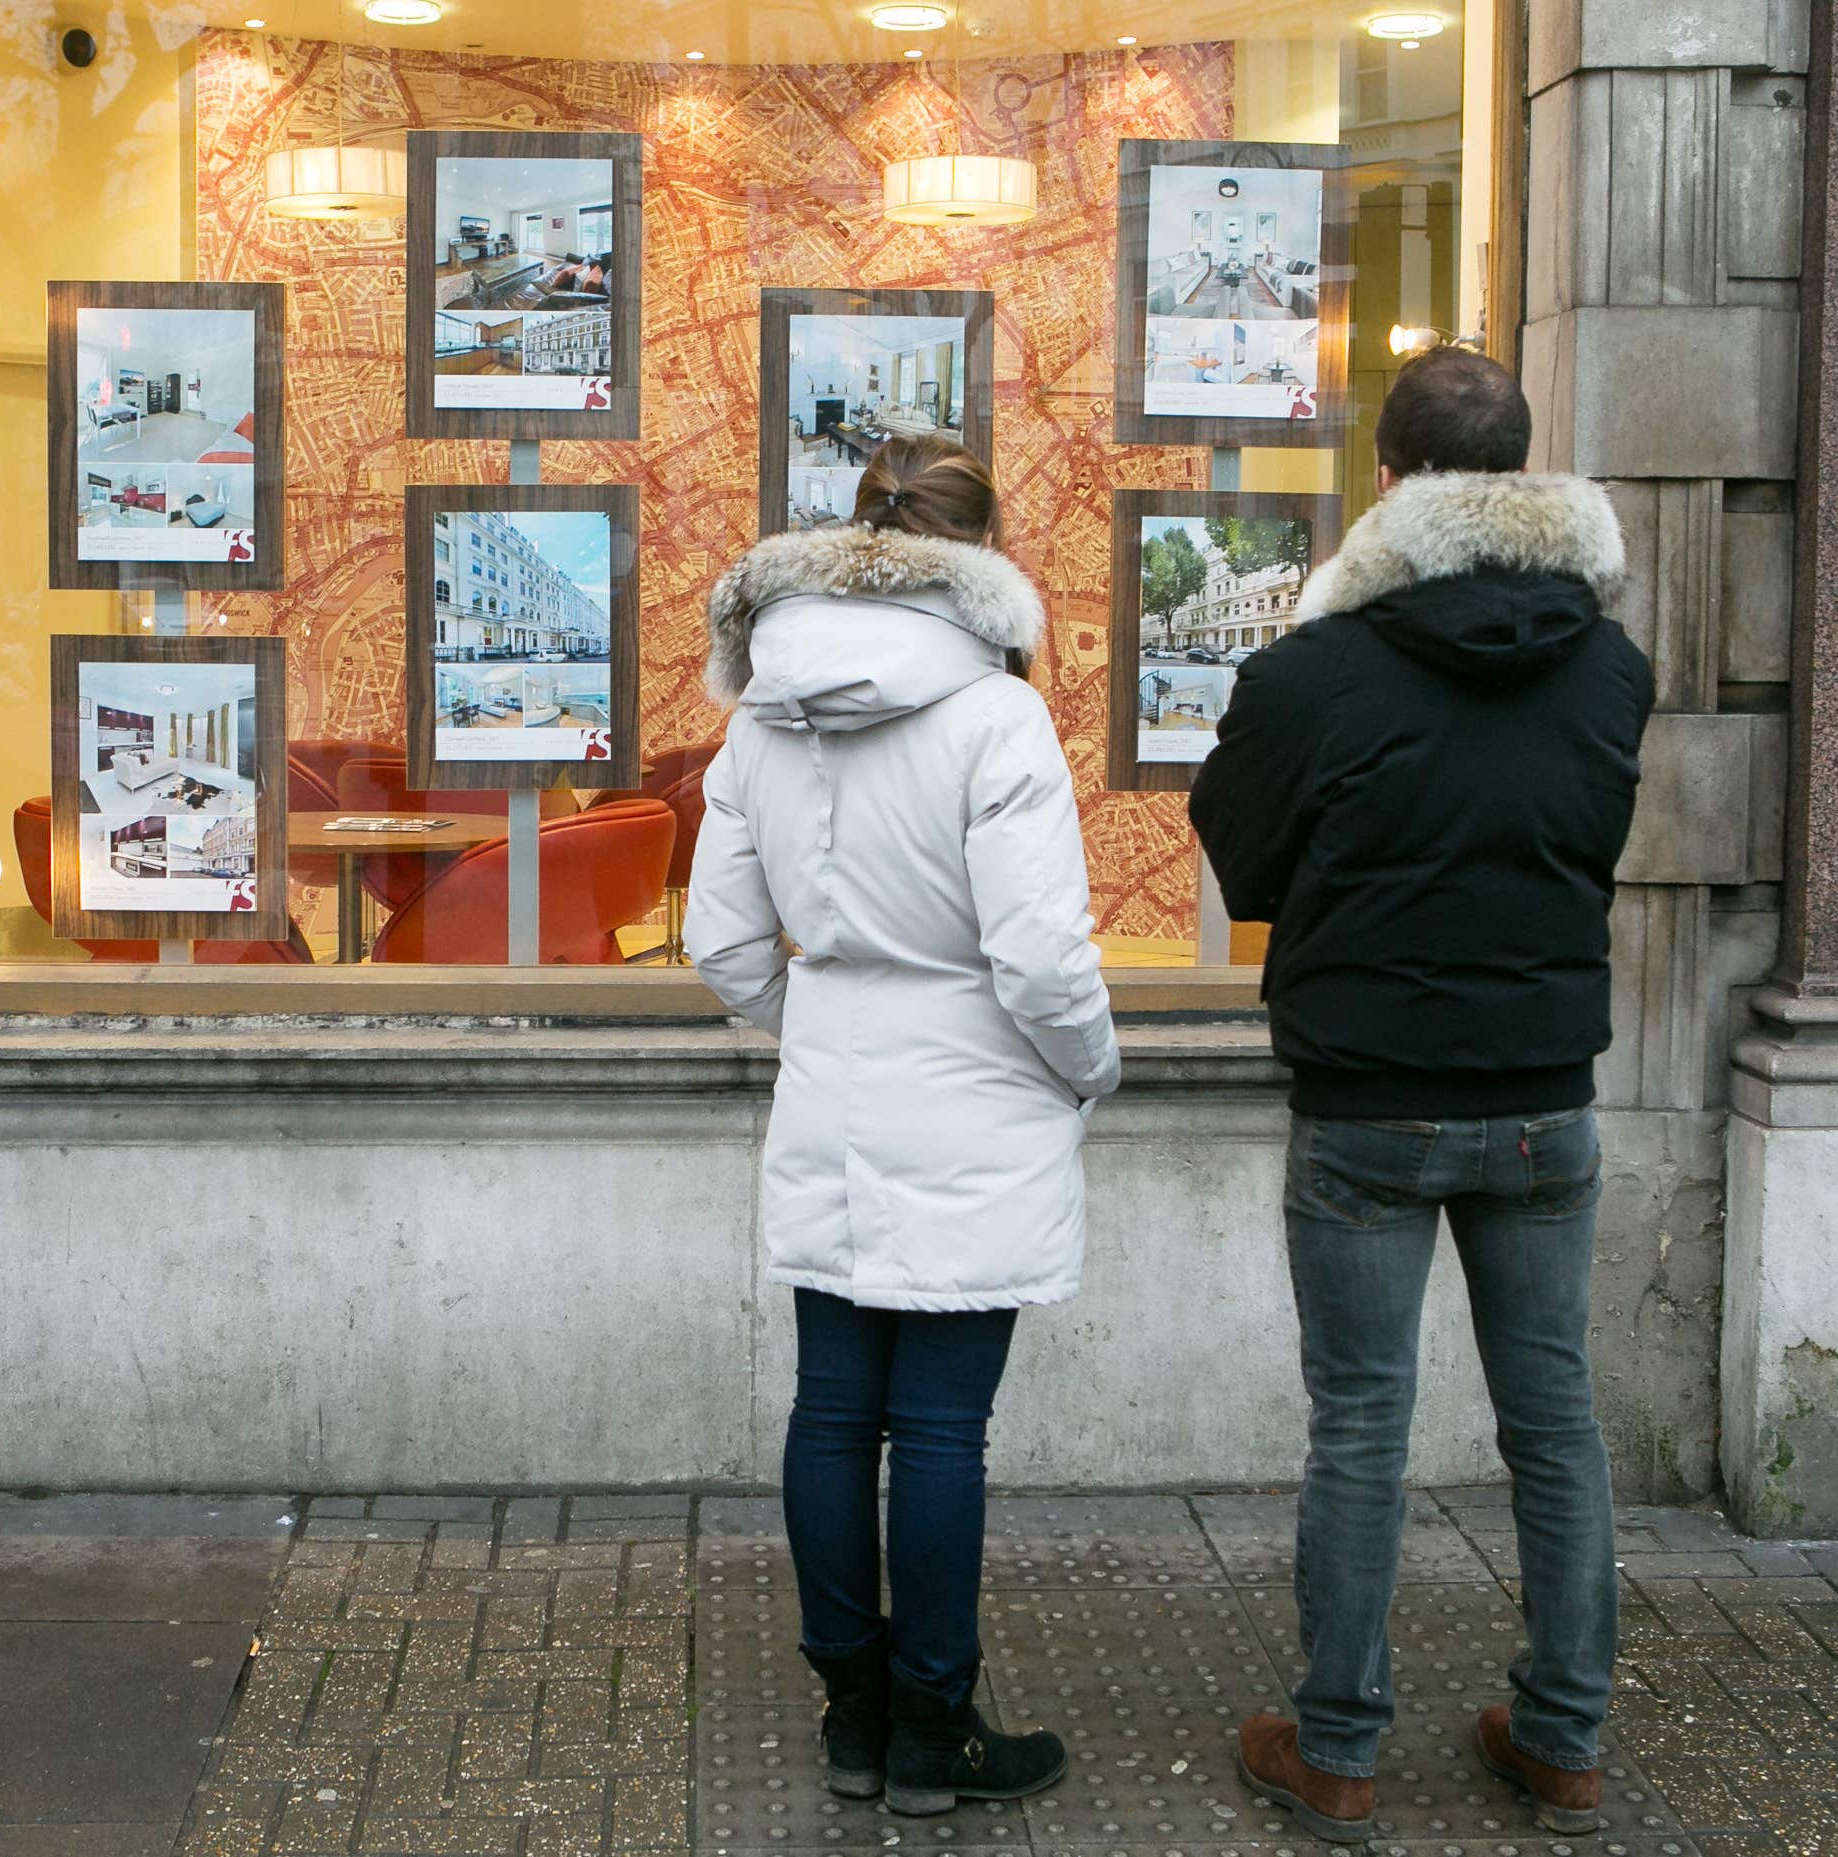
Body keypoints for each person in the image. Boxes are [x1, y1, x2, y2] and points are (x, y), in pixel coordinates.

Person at [1188, 346, 1652, 1846]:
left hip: (1365, 1101)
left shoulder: (1308, 672)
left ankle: (1336, 1749)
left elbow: (1246, 866)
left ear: (1381, 483)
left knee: (1360, 1427)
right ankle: (1565, 1739)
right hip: (1541, 1098)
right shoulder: (1610, 664)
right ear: (1521, 477)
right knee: (1555, 1421)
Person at [687, 433, 1118, 1819]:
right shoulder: (994, 718)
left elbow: (720, 946)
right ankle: (935, 1719)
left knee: (829, 1408)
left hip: (834, 1074)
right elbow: (1043, 961)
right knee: (939, 1429)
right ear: (977, 558)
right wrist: (1086, 1071)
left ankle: (851, 1717)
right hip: (978, 1085)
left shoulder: (762, 713)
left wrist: (815, 1019)